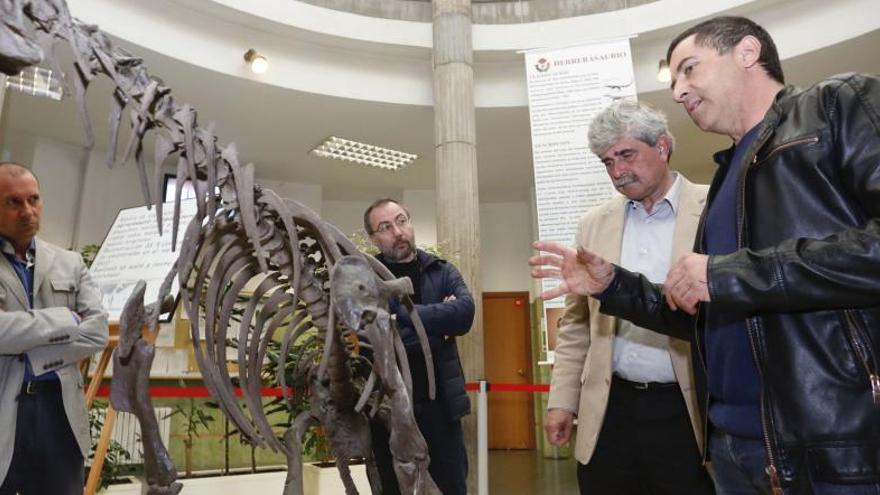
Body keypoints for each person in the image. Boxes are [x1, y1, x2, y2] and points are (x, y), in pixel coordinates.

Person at [530, 16, 880, 494]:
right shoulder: (726, 181)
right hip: (734, 445)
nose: (678, 91)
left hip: (831, 440)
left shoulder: (837, 105)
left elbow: (731, 283)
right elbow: (699, 316)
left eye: (689, 69)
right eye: (674, 80)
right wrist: (613, 285)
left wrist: (727, 275)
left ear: (748, 52)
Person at [545, 100, 714, 495]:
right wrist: (562, 401)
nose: (618, 171)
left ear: (662, 146)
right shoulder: (593, 225)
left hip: (687, 410)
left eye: (626, 155)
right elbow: (577, 325)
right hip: (610, 411)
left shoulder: (712, 210)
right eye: (607, 162)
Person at [0, 162, 109, 494]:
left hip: (59, 415)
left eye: (34, 199)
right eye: (13, 202)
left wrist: (26, 344)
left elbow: (97, 332)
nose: (28, 211)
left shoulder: (70, 262)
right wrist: (63, 318)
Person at [363, 198, 473, 495]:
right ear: (374, 238)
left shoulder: (442, 270)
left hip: (442, 409)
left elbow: (465, 314)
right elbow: (374, 342)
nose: (397, 232)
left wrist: (402, 316)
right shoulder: (367, 281)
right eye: (385, 227)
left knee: (451, 486)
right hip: (389, 415)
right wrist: (439, 330)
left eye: (401, 221)